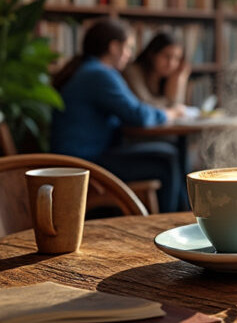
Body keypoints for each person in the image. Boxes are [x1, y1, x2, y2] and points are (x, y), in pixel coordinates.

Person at [51, 19, 188, 213]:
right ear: (114, 47)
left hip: (79, 159)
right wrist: (171, 113)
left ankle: (182, 218)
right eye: (128, 48)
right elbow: (137, 114)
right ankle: (172, 224)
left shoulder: (89, 71)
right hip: (83, 162)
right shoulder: (100, 75)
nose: (130, 55)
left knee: (166, 154)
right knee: (166, 158)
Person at [123, 32, 191, 107]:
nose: (171, 63)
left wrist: (179, 80)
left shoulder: (172, 76)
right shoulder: (132, 71)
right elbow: (146, 106)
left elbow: (177, 107)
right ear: (152, 54)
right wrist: (169, 102)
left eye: (177, 58)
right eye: (166, 56)